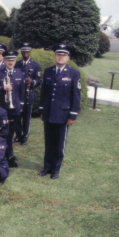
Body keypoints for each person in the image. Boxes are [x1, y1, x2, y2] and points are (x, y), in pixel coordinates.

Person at [38, 43, 81, 179]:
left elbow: (76, 96)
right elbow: (44, 92)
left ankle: (56, 169)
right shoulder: (48, 71)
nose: (60, 57)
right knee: (49, 142)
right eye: (58, 54)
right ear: (55, 56)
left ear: (68, 57)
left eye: (63, 55)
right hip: (49, 113)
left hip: (63, 114)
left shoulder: (73, 73)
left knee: (59, 143)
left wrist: (73, 115)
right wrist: (42, 109)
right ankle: (47, 167)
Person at [0, 50, 25, 168]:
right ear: (4, 60)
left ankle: (10, 155)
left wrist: (21, 105)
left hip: (15, 108)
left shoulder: (20, 73)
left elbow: (22, 91)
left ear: (15, 61)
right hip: (2, 107)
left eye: (12, 60)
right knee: (1, 132)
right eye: (8, 60)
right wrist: (3, 88)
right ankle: (1, 155)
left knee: (11, 133)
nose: (10, 62)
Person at [14, 42, 41, 145]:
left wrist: (32, 81)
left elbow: (38, 81)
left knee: (26, 118)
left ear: (30, 52)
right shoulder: (17, 64)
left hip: (28, 95)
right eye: (23, 50)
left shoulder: (35, 65)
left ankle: (25, 136)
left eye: (27, 51)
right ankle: (18, 135)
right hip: (17, 95)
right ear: (21, 51)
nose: (25, 52)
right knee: (17, 117)